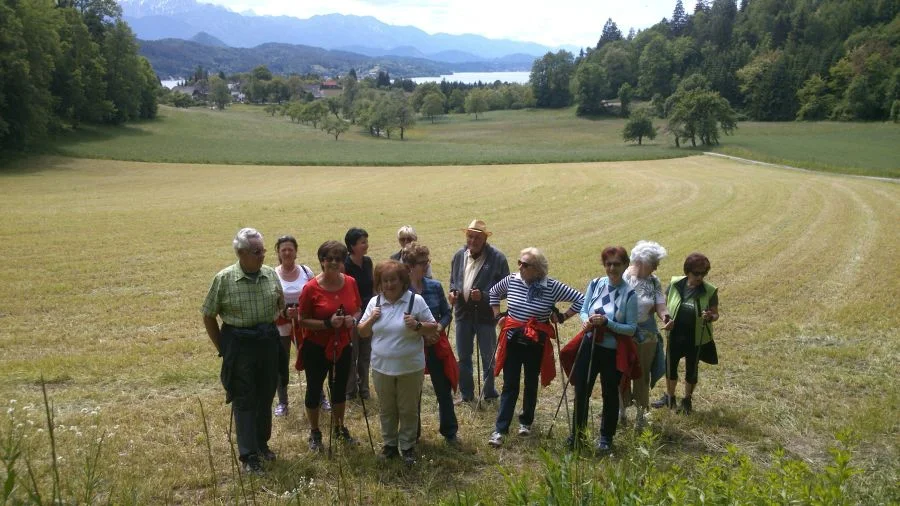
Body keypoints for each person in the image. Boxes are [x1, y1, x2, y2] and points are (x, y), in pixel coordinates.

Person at [202, 228, 284, 474]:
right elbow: (208, 315)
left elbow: (279, 304)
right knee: (244, 399)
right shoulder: (224, 279)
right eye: (256, 252)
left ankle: (261, 444)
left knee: (266, 394)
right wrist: (223, 347)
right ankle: (249, 455)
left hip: (267, 342)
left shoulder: (270, 274)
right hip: (240, 345)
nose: (262, 255)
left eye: (263, 250)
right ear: (240, 253)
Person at [487, 248, 583, 448]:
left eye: (525, 265)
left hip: (535, 342)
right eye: (519, 262)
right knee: (510, 385)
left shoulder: (551, 286)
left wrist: (563, 316)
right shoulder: (512, 280)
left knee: (531, 383)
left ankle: (526, 422)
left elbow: (581, 299)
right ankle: (500, 429)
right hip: (513, 339)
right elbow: (493, 292)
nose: (520, 267)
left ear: (538, 269)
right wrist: (498, 316)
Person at [358, 260, 438, 464]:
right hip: (381, 367)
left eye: (393, 280)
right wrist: (371, 319)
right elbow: (362, 332)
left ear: (402, 281)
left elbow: (433, 327)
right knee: (387, 409)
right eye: (385, 281)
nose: (389, 284)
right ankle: (390, 445)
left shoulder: (415, 301)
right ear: (379, 283)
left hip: (410, 367)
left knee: (408, 409)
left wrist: (417, 325)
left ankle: (408, 446)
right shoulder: (375, 303)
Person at [567, 246, 638, 452]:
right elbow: (583, 310)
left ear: (625, 265)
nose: (612, 268)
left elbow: (631, 329)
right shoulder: (595, 284)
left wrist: (607, 323)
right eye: (608, 264)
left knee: (610, 393)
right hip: (589, 345)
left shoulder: (629, 294)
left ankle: (606, 438)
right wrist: (586, 320)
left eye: (617, 264)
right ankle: (577, 435)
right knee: (582, 391)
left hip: (612, 352)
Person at [297, 240, 362, 451]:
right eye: (329, 258)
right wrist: (327, 323)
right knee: (314, 389)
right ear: (322, 260)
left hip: (342, 345)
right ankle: (315, 432)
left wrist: (353, 319)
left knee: (339, 389)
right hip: (316, 347)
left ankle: (340, 428)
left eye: (339, 259)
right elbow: (302, 320)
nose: (334, 262)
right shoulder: (310, 288)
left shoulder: (351, 282)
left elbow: (358, 309)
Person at [402, 243, 459, 445]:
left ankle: (450, 432)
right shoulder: (401, 291)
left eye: (427, 261)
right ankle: (413, 434)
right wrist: (422, 334)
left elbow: (446, 313)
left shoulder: (434, 286)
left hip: (436, 344)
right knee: (413, 393)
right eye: (422, 262)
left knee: (443, 390)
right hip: (412, 347)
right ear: (409, 266)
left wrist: (438, 329)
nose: (426, 265)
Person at [449, 219, 510, 403]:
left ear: (485, 239)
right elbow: (453, 280)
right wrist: (453, 292)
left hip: (485, 316)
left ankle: (489, 392)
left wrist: (483, 296)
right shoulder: (459, 255)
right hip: (462, 314)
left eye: (477, 238)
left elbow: (506, 290)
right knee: (463, 356)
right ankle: (467, 394)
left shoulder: (498, 258)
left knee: (487, 356)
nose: (472, 241)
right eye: (470, 236)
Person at [652, 253, 719, 415]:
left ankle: (687, 400)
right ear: (687, 271)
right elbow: (664, 306)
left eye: (704, 273)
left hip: (696, 337)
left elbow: (716, 314)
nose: (700, 277)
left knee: (692, 369)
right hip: (675, 334)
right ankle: (670, 397)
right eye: (696, 273)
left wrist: (710, 316)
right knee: (670, 366)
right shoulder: (675, 284)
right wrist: (666, 319)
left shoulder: (709, 290)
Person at [620, 240, 670, 429]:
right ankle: (621, 411)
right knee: (622, 372)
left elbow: (661, 306)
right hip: (623, 333)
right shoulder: (622, 277)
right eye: (654, 263)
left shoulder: (654, 281)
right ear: (641, 262)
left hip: (647, 334)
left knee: (642, 375)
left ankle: (641, 415)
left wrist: (666, 317)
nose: (657, 266)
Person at [272, 235, 316, 417]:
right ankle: (283, 402)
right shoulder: (272, 274)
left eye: (290, 249)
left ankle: (319, 396)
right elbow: (270, 302)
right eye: (283, 250)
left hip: (304, 324)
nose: (287, 253)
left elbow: (315, 295)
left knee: (311, 360)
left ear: (296, 251)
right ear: (278, 252)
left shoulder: (306, 272)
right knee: (280, 363)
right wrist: (283, 312)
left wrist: (301, 312)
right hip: (282, 325)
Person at [343, 227, 374, 401]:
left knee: (365, 353)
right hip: (354, 314)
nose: (366, 245)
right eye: (363, 242)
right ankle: (350, 390)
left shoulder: (368, 262)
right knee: (352, 354)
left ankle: (364, 388)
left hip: (369, 314)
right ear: (352, 246)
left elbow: (373, 286)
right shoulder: (345, 265)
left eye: (366, 241)